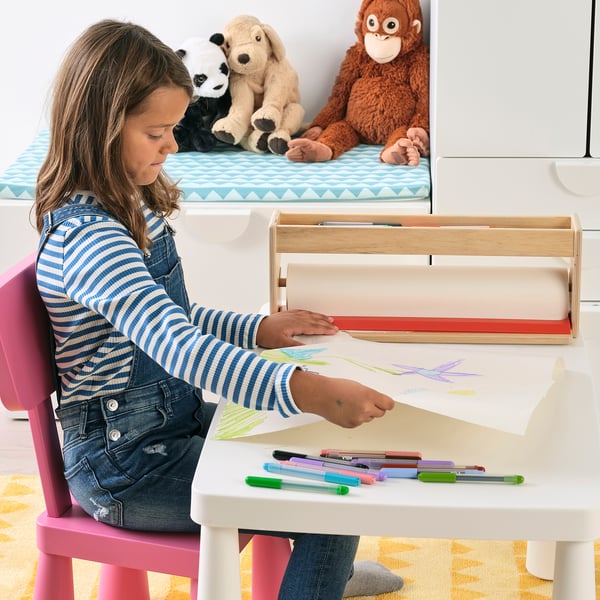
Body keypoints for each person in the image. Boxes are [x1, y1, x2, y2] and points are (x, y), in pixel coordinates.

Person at [33, 19, 402, 599]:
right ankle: (321, 568)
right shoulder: (93, 242)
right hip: (128, 469)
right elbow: (181, 350)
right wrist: (306, 387)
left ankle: (320, 571)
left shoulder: (126, 208)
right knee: (330, 506)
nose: (173, 146)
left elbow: (168, 318)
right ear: (101, 129)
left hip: (163, 429)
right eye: (157, 132)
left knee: (317, 456)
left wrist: (255, 329)